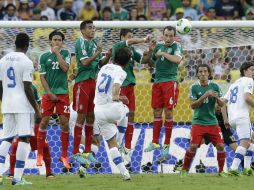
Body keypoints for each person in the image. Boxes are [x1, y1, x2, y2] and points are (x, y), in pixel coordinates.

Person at [0, 32, 41, 185]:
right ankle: (17, 178)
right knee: (24, 138)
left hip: (7, 104)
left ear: (15, 43)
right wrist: (37, 109)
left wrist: (4, 100)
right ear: (27, 45)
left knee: (7, 138)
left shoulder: (3, 60)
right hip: (23, 106)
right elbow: (27, 87)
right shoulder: (27, 61)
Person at [112, 29, 153, 164]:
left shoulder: (131, 51)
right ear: (122, 37)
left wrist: (151, 50)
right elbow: (130, 42)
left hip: (130, 87)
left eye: (132, 36)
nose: (131, 39)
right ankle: (117, 145)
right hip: (119, 86)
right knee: (120, 118)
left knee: (131, 117)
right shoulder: (118, 47)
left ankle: (127, 148)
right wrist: (143, 39)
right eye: (129, 37)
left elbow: (144, 60)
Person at [72, 20, 111, 163]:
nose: (93, 30)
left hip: (94, 82)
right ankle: (76, 152)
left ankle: (87, 151)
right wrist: (97, 53)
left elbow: (100, 64)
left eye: (94, 28)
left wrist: (108, 56)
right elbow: (84, 62)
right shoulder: (80, 42)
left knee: (91, 118)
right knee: (81, 118)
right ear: (82, 30)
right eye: (89, 28)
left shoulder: (95, 44)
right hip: (82, 82)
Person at [180, 64, 226, 177]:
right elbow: (193, 106)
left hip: (212, 122)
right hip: (198, 122)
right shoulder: (194, 87)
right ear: (197, 74)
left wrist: (216, 98)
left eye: (205, 71)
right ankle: (184, 170)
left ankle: (221, 171)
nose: (203, 73)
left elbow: (222, 104)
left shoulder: (215, 86)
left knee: (220, 146)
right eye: (200, 72)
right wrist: (204, 96)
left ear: (209, 73)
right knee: (193, 146)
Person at [144, 26, 182, 158]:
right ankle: (155, 142)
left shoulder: (177, 46)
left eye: (171, 35)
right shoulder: (159, 46)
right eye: (166, 35)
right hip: (157, 82)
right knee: (157, 111)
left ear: (174, 36)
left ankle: (166, 144)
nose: (168, 38)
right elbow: (151, 63)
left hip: (170, 82)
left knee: (168, 111)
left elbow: (178, 60)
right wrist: (150, 51)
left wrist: (163, 54)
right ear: (163, 35)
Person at [94, 47, 131, 180]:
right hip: (111, 108)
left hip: (98, 110)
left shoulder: (104, 68)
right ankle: (121, 141)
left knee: (111, 143)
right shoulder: (121, 72)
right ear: (127, 62)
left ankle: (125, 173)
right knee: (126, 111)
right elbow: (116, 85)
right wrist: (117, 97)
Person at [36, 30, 71, 169]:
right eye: (55, 40)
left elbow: (65, 68)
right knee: (44, 121)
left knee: (64, 123)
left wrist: (57, 53)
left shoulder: (66, 53)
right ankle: (39, 154)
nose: (57, 42)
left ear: (62, 42)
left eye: (59, 40)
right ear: (50, 41)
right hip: (48, 94)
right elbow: (42, 77)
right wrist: (49, 93)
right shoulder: (43, 56)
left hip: (63, 93)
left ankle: (64, 155)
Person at [9, 84, 55, 179]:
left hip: (34, 123)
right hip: (21, 123)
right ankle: (11, 173)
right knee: (15, 146)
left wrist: (38, 115)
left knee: (45, 146)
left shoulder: (32, 86)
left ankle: (49, 172)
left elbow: (39, 102)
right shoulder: (13, 87)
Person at [222, 62, 254, 176]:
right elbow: (247, 97)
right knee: (245, 142)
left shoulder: (234, 84)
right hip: (242, 117)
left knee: (252, 138)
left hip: (232, 119)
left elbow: (222, 103)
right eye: (252, 70)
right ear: (245, 71)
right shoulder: (249, 80)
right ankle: (234, 167)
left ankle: (247, 168)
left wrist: (225, 119)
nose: (253, 72)